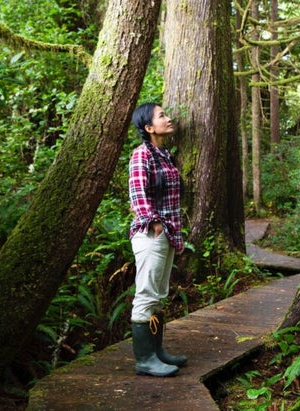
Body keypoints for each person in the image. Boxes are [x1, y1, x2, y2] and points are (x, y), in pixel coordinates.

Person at [128, 102, 186, 377]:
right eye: (162, 116)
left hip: (168, 233)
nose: (169, 118)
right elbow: (138, 193)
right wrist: (154, 224)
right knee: (146, 294)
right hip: (151, 235)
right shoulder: (142, 154)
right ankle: (145, 359)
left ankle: (157, 351)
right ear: (149, 127)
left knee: (159, 295)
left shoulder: (165, 155)